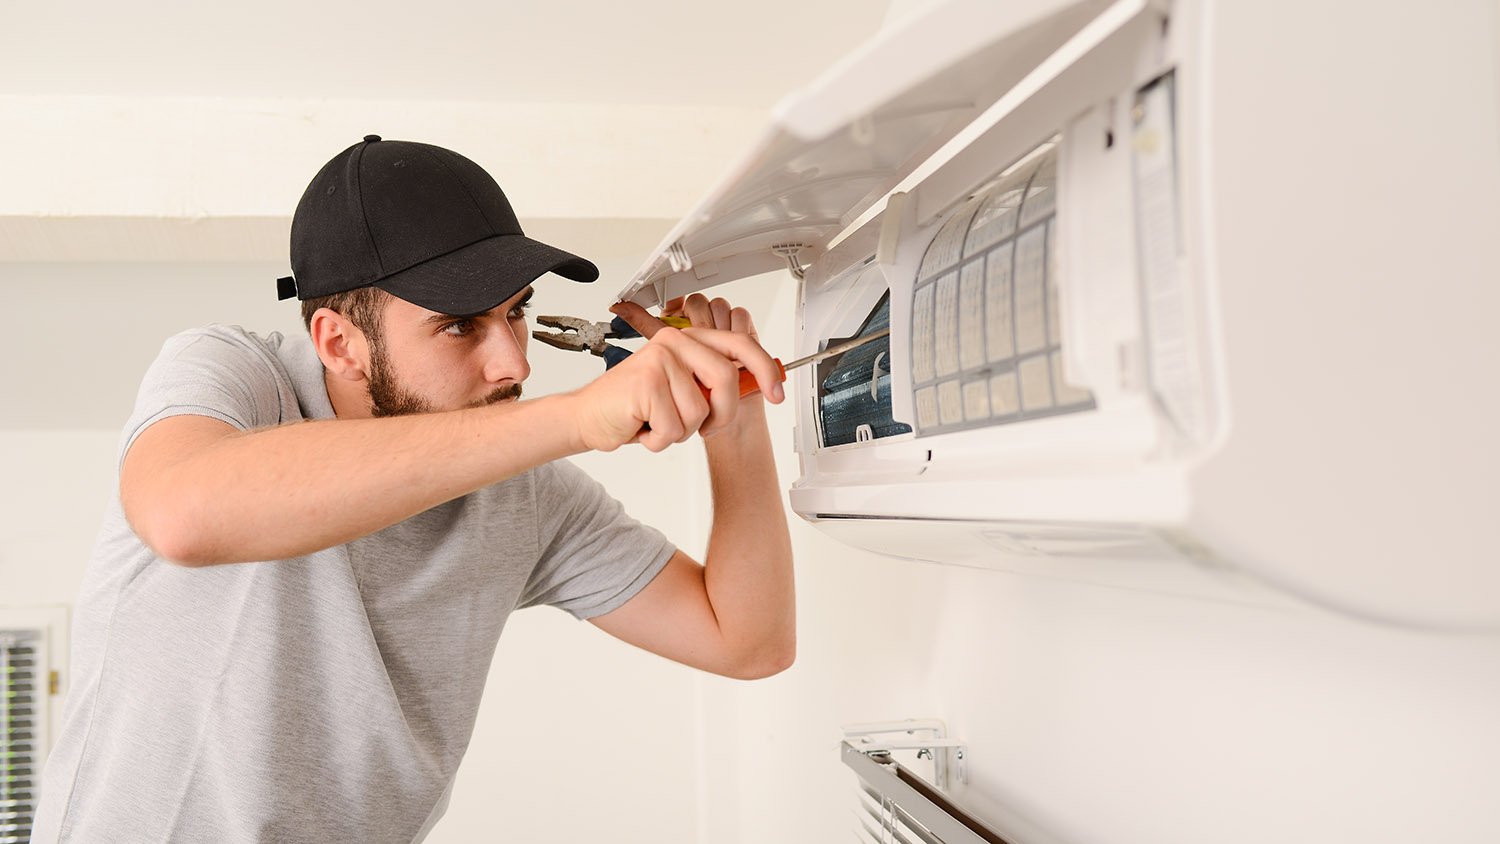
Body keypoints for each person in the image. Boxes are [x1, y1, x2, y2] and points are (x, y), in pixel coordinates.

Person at [31, 135, 795, 843]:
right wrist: (577, 418)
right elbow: (183, 514)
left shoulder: (528, 493)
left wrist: (734, 410)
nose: (515, 365)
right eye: (461, 325)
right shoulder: (235, 376)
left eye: (517, 313)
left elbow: (748, 640)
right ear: (338, 342)